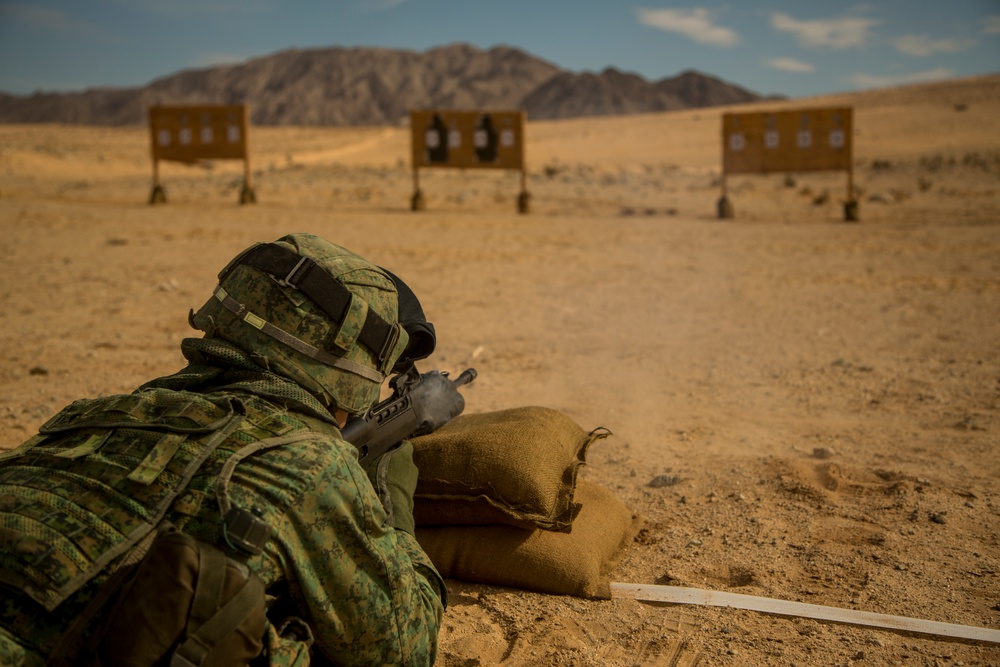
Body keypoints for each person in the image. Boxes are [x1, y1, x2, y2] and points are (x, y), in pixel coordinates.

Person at [0, 233, 447, 666]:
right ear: (345, 363)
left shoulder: (87, 416)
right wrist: (389, 499)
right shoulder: (309, 467)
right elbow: (405, 647)